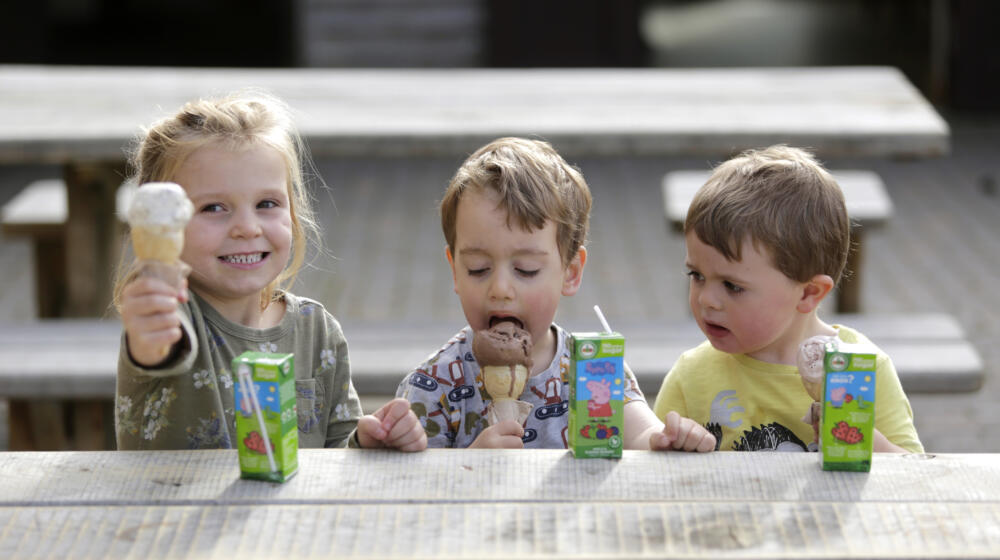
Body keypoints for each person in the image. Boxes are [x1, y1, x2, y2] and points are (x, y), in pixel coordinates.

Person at [114, 90, 426, 452]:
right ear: (168, 223)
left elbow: (338, 453)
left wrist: (371, 440)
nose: (247, 227)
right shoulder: (174, 317)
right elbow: (158, 347)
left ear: (293, 212)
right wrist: (149, 318)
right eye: (214, 207)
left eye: (266, 203)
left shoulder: (316, 330)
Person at [396, 137, 715, 451]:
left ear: (571, 272)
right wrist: (470, 465)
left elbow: (642, 433)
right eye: (478, 268)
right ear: (455, 271)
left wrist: (668, 440)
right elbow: (407, 484)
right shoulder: (433, 385)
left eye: (526, 269)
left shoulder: (593, 368)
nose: (501, 290)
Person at [653, 145, 923, 453]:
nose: (707, 300)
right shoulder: (692, 375)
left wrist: (866, 442)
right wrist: (672, 444)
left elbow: (917, 474)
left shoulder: (862, 369)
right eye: (697, 276)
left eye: (732, 285)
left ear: (808, 293)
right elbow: (652, 472)